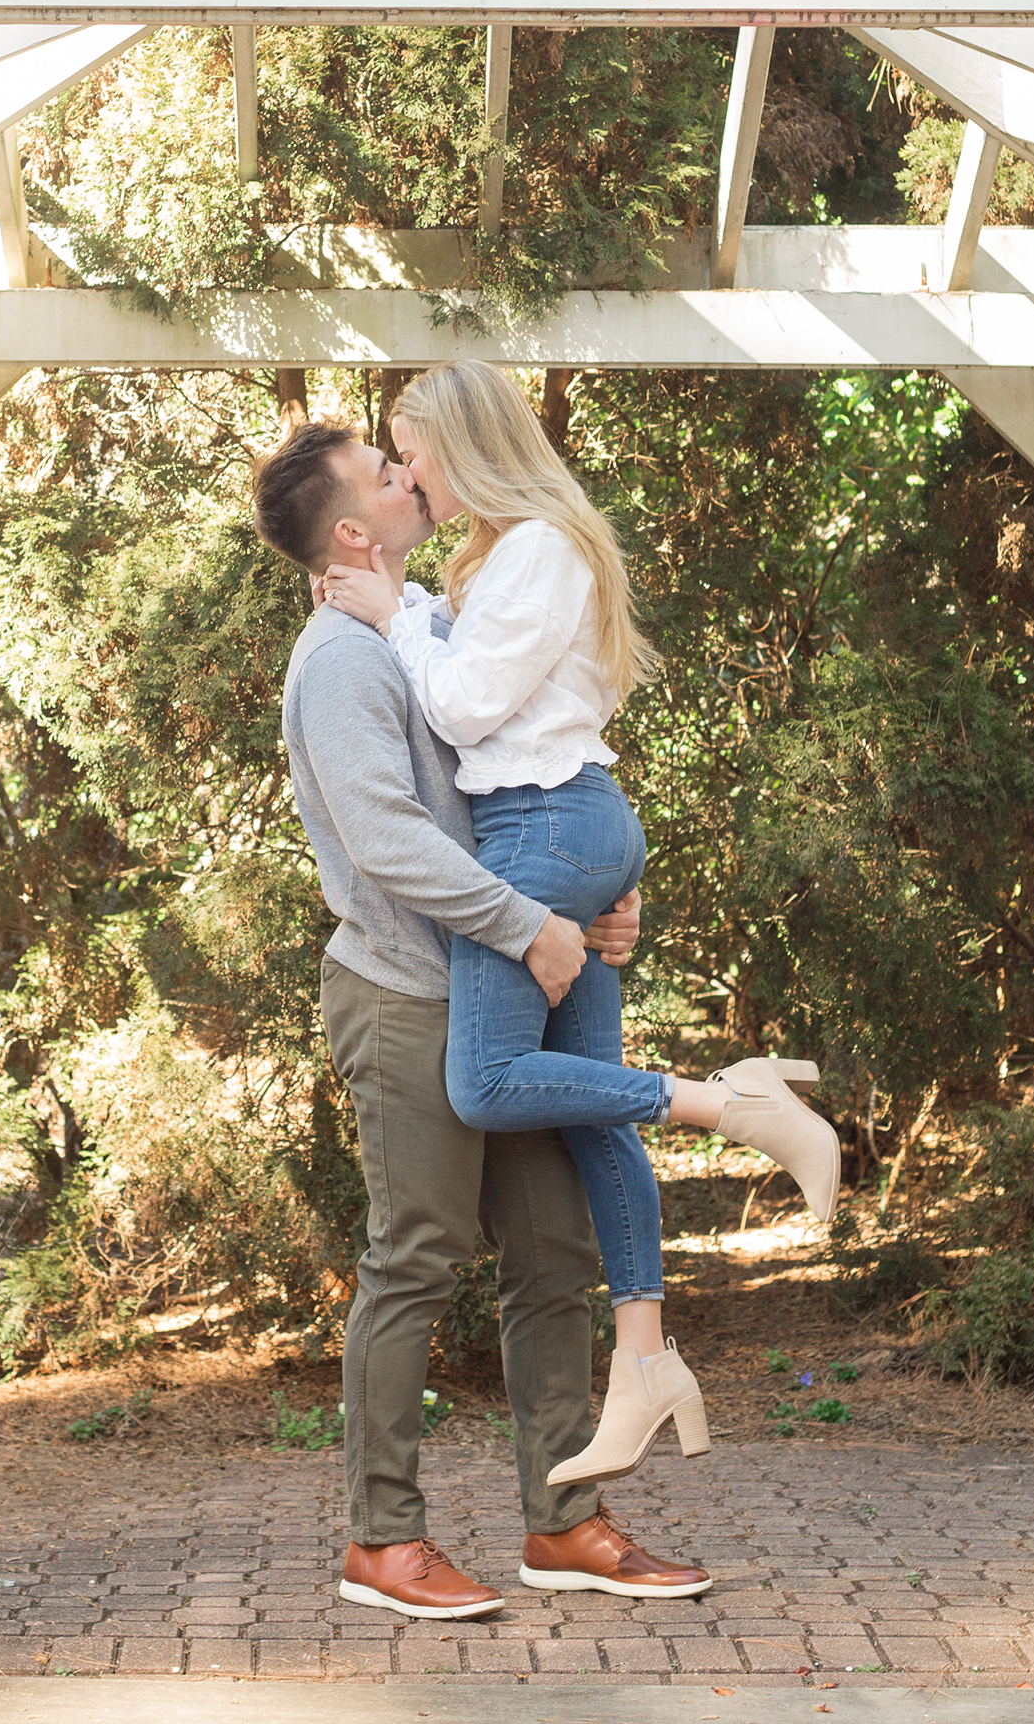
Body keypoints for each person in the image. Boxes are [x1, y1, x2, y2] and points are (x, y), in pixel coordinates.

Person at [320, 360, 841, 1492]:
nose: (409, 471)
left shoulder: (544, 549)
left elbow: (460, 707)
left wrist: (392, 618)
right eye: (393, 461)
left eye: (416, 451)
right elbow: (466, 672)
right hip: (559, 830)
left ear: (468, 446)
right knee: (592, 1113)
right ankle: (647, 1364)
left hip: (543, 831)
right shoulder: (498, 559)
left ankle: (728, 1102)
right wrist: (400, 609)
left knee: (489, 1083)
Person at [254, 420, 715, 1621]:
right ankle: (383, 1542)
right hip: (407, 992)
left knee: (554, 1256)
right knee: (415, 1258)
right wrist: (525, 926)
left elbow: (523, 785)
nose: (413, 474)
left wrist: (590, 904)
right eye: (387, 470)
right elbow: (389, 840)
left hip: (494, 987)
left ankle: (562, 1521)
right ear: (355, 530)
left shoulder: (424, 633)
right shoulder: (341, 660)